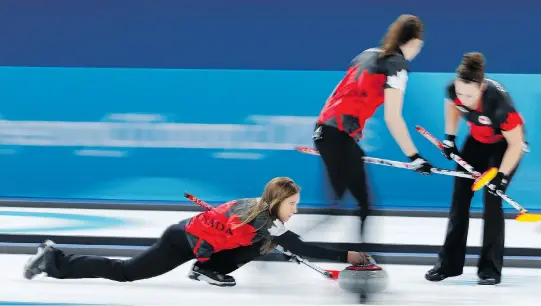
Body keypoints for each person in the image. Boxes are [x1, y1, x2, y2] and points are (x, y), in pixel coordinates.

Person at [23, 177, 372, 287]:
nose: (296, 210)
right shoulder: (256, 216)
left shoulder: (265, 219)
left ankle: (207, 268)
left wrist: (345, 256)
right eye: (293, 204)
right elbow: (302, 245)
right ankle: (53, 260)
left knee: (262, 245)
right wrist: (347, 256)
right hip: (182, 240)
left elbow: (292, 242)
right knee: (125, 272)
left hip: (206, 245)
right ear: (278, 202)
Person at [313, 14, 434, 232]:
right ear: (416, 43)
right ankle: (292, 246)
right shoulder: (398, 66)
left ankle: (353, 256)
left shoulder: (366, 54)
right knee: (358, 205)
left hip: (326, 131)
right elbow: (393, 116)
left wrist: (332, 133)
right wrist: (415, 157)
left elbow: (335, 95)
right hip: (338, 136)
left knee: (349, 204)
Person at [425, 52, 527, 285]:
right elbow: (453, 106)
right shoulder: (455, 90)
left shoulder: (500, 104)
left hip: (504, 148)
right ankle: (448, 265)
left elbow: (516, 144)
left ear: (481, 88)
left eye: (469, 95)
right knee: (460, 199)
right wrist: (450, 138)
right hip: (476, 143)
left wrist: (500, 176)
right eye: (460, 92)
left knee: (492, 203)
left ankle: (490, 270)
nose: (464, 98)